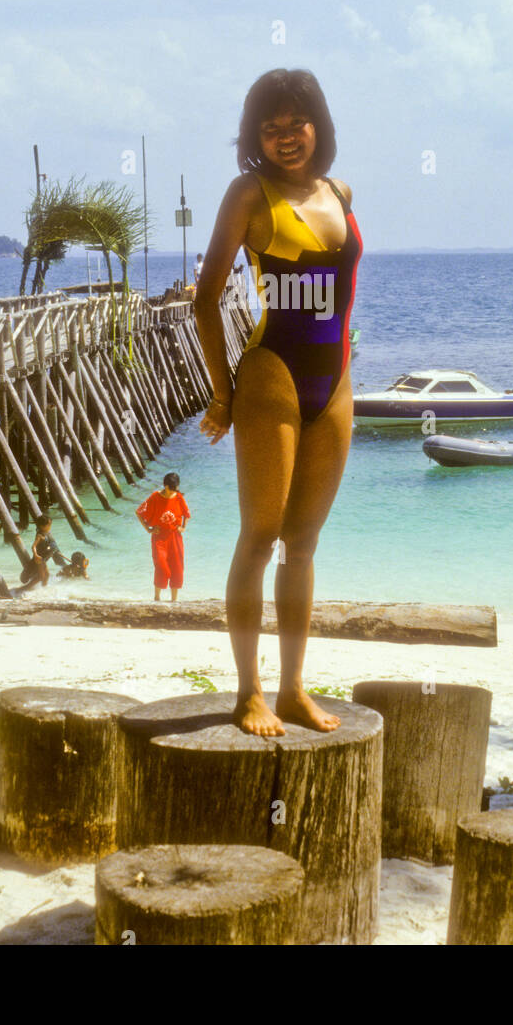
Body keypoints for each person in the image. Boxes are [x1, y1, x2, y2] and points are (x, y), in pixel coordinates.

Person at [193, 68, 362, 737]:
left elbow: (339, 293)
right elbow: (205, 299)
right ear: (254, 136)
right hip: (271, 375)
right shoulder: (247, 193)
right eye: (270, 126)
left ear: (316, 124)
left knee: (304, 543)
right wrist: (222, 393)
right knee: (260, 538)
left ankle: (293, 688)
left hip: (336, 382)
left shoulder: (339, 191)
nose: (284, 136)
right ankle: (248, 692)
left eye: (295, 122)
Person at [136, 473, 190, 602]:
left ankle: (174, 600)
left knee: (177, 566)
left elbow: (186, 514)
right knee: (160, 565)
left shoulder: (179, 497)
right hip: (159, 537)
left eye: (176, 488)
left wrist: (183, 527)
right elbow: (139, 512)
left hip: (175, 536)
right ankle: (157, 597)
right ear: (165, 486)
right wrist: (148, 529)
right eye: (172, 488)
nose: (174, 491)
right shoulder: (155, 496)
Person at [20, 514, 68, 589]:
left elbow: (52, 548)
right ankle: (24, 589)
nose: (50, 526)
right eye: (49, 525)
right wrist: (36, 555)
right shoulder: (40, 535)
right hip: (39, 559)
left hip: (43, 559)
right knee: (40, 577)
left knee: (47, 576)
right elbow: (33, 546)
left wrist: (60, 554)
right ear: (42, 526)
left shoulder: (47, 534)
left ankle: (43, 589)